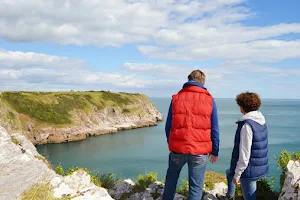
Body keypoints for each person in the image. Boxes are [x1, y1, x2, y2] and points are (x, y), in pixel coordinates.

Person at [162, 70, 220, 200]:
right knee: (195, 187)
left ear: (188, 80)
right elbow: (215, 128)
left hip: (177, 149)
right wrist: (215, 150)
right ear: (202, 82)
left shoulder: (176, 98)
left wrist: (170, 143)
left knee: (171, 181)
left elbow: (168, 125)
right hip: (199, 151)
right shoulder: (209, 99)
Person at [217, 92, 268, 200]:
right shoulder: (260, 120)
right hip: (258, 164)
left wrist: (238, 174)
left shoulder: (247, 126)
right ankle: (230, 196)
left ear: (243, 107)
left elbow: (245, 154)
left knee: (249, 196)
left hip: (248, 168)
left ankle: (230, 195)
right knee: (229, 172)